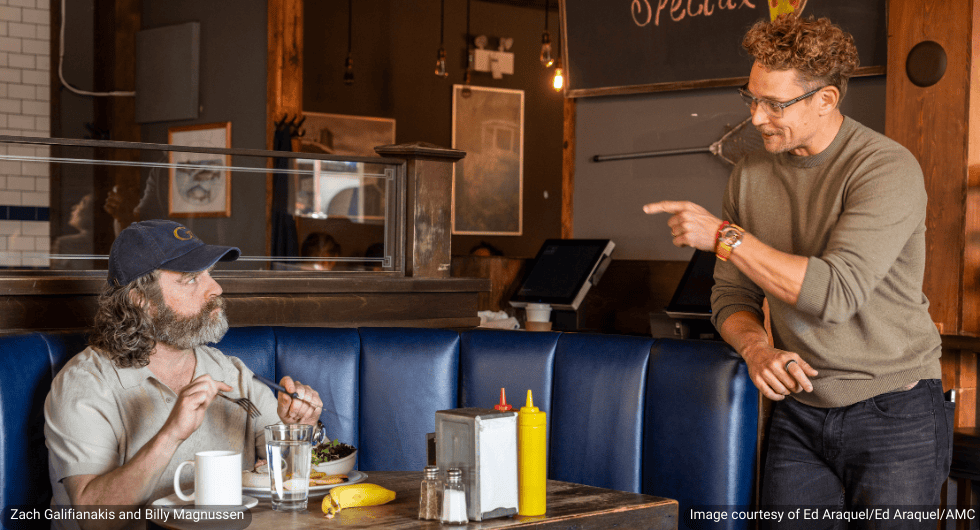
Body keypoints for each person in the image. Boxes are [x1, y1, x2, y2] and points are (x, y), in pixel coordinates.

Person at [644, 15, 952, 521]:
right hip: (801, 410)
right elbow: (731, 299)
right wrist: (757, 347)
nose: (758, 118)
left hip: (894, 410)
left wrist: (723, 236)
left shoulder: (885, 168)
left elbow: (835, 295)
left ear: (826, 100)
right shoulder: (748, 176)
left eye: (774, 104)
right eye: (752, 99)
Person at [44, 220, 324, 529]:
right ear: (142, 301)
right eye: (191, 278)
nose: (215, 288)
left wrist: (299, 430)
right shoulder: (86, 383)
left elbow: (282, 475)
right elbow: (94, 520)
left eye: (209, 274)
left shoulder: (229, 371)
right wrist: (171, 434)